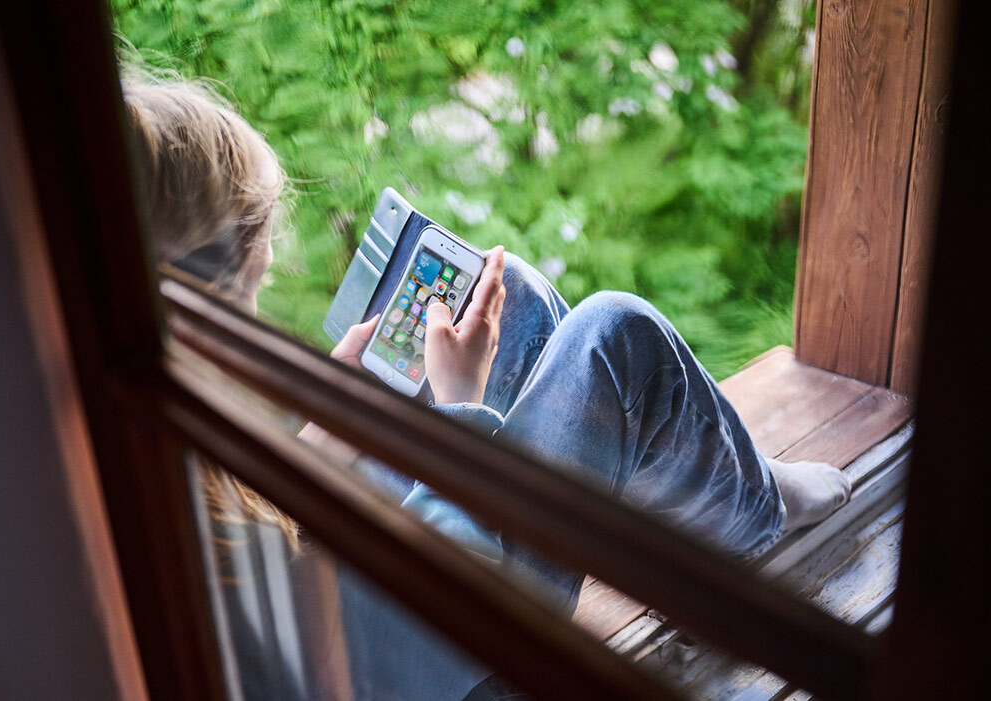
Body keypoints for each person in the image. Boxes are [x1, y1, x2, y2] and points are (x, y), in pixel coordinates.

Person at [123, 74, 851, 700]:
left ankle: (694, 503)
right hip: (464, 661)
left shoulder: (136, 433)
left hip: (377, 622)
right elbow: (450, 602)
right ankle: (754, 518)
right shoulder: (200, 523)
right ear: (198, 298)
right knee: (614, 337)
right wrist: (459, 411)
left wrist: (333, 419)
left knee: (520, 302)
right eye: (253, 282)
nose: (267, 281)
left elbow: (285, 539)